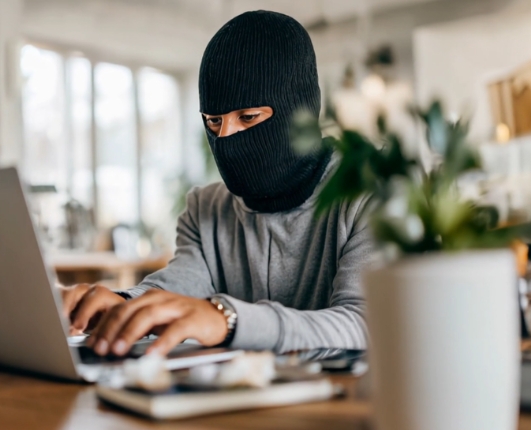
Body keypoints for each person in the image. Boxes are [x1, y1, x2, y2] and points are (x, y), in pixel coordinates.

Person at [60, 10, 374, 358]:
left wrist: (228, 320)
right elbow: (179, 290)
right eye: (214, 122)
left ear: (299, 109)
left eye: (248, 117)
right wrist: (120, 306)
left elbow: (365, 322)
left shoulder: (370, 194)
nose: (227, 138)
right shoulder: (206, 209)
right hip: (229, 406)